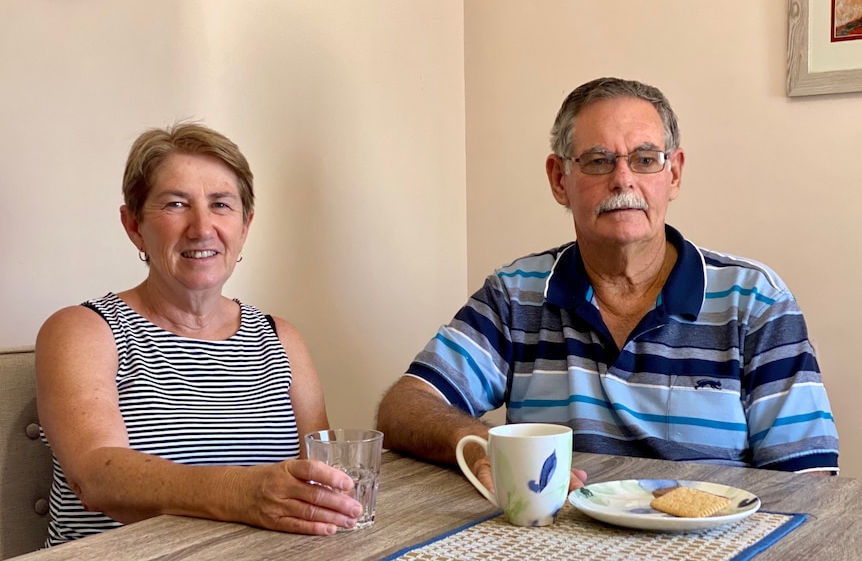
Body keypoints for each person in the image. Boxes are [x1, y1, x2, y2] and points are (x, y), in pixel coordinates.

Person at [376, 77, 840, 493]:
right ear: (560, 180)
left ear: (673, 174)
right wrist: (476, 444)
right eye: (598, 161)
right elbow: (405, 406)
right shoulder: (516, 294)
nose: (623, 180)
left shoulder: (755, 301)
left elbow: (808, 483)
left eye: (644, 160)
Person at [35, 122, 363, 546]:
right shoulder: (83, 331)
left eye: (221, 205)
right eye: (175, 204)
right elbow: (95, 475)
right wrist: (242, 492)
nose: (202, 227)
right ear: (134, 225)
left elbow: (319, 476)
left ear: (245, 226)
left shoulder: (282, 338)